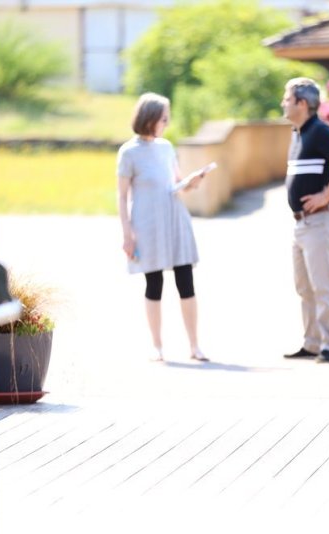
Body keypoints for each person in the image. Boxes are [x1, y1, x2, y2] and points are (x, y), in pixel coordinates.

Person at [116, 92, 210, 363]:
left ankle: (194, 345)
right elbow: (122, 196)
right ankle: (157, 346)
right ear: (149, 118)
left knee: (186, 282)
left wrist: (191, 182)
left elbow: (176, 184)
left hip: (175, 220)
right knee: (154, 282)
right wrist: (127, 234)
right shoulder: (129, 152)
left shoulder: (167, 147)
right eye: (163, 119)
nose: (166, 124)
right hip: (147, 225)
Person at [280, 77, 329, 364]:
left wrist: (325, 195)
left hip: (320, 221)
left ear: (301, 103)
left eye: (287, 99)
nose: (283, 103)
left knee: (322, 285)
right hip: (300, 223)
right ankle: (311, 343)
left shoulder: (319, 130)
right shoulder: (297, 132)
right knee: (304, 286)